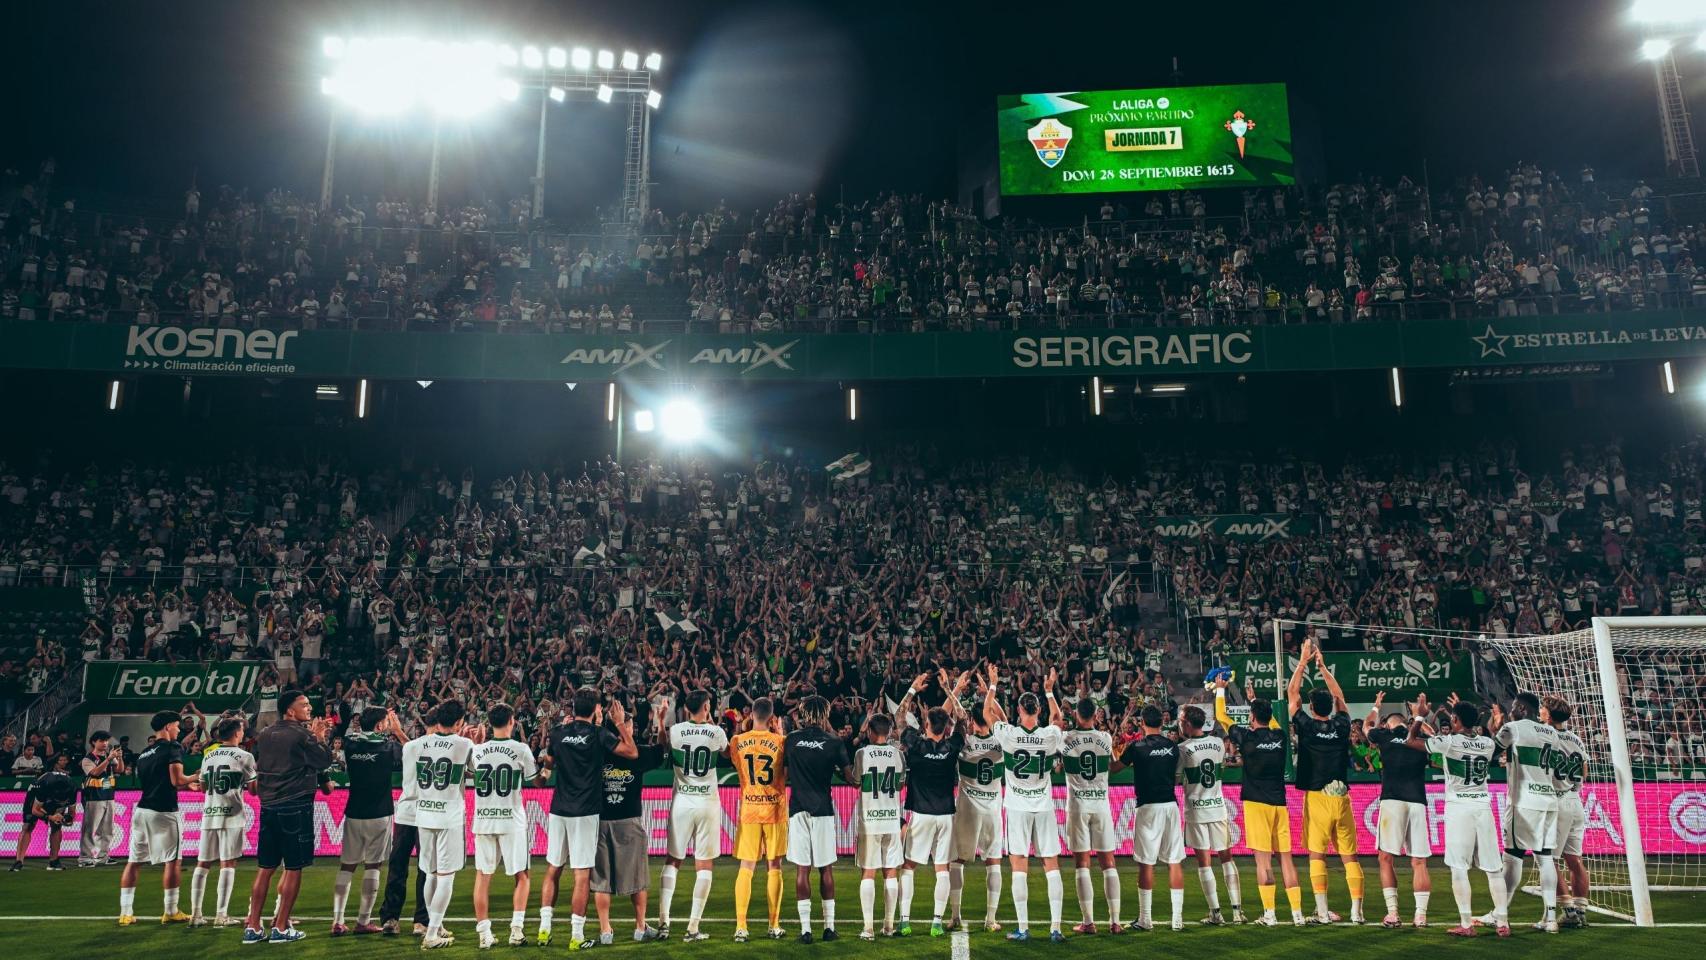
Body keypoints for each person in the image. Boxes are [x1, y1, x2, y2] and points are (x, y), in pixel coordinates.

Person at [538, 688, 638, 948]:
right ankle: (577, 936)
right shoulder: (598, 734)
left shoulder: (558, 733)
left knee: (553, 869)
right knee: (582, 875)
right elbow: (631, 752)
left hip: (559, 810)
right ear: (596, 709)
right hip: (585, 812)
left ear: (573, 708)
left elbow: (548, 764)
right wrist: (619, 723)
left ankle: (544, 929)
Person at [1402, 697, 1509, 937]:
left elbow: (1410, 741)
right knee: (1493, 868)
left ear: (1455, 719)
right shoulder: (1487, 743)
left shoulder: (1449, 742)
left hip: (1459, 807)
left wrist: (1419, 716)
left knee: (1459, 868)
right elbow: (1488, 739)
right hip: (1483, 807)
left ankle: (1466, 924)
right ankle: (1503, 922)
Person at [242, 690, 334, 945]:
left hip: (269, 806)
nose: (309, 708)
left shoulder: (265, 734)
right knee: (293, 867)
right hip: (295, 805)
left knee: (265, 868)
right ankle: (281, 927)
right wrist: (318, 737)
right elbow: (323, 760)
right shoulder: (302, 735)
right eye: (304, 705)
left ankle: (253, 926)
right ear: (290, 711)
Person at [986, 664, 1065, 942]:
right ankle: (1056, 928)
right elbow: (1058, 718)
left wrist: (992, 684)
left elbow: (987, 713)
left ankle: (1023, 928)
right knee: (1051, 865)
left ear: (1019, 710)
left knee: (1019, 864)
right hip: (1043, 806)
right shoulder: (1049, 735)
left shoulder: (1008, 734)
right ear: (1038, 710)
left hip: (1018, 807)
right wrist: (1049, 691)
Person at [1287, 638, 1364, 924]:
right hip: (1342, 797)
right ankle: (1357, 912)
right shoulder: (1342, 724)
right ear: (1331, 706)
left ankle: (1322, 912)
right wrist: (1322, 667)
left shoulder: (1307, 726)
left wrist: (1303, 662)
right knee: (1350, 857)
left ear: (1311, 707)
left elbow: (1291, 694)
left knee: (1317, 855)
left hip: (1318, 797)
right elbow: (1339, 695)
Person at [1215, 677, 1303, 926]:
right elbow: (1273, 722)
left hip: (1256, 804)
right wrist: (1254, 700)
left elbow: (1222, 717)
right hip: (1279, 803)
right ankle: (1297, 914)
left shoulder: (1246, 737)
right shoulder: (1280, 736)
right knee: (1286, 859)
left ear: (1251, 717)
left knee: (1263, 861)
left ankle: (1270, 914)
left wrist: (1220, 691)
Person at [401, 698, 479, 950]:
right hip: (449, 817)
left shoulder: (413, 745)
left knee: (430, 873)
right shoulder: (464, 744)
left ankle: (436, 924)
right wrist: (477, 744)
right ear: (459, 722)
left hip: (424, 815)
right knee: (446, 876)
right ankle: (432, 933)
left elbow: (409, 782)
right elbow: (479, 772)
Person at [896, 670, 967, 937]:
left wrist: (913, 689)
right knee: (942, 869)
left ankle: (905, 921)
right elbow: (963, 718)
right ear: (946, 727)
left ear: (926, 724)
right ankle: (937, 922)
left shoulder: (915, 745)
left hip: (921, 814)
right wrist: (950, 690)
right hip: (946, 815)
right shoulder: (953, 746)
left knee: (909, 867)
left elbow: (899, 716)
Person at [1489, 691, 1563, 933]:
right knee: (1545, 857)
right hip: (1548, 800)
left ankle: (1500, 913)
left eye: (1513, 707)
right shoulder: (1552, 732)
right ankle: (1550, 917)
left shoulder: (1514, 727)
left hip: (1523, 801)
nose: (1510, 711)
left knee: (1513, 855)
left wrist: (1496, 728)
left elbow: (1488, 754)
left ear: (1521, 709)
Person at [658, 689, 728, 941]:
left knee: (673, 861)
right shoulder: (716, 732)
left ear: (686, 709)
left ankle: (663, 923)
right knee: (704, 864)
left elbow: (662, 746)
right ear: (707, 707)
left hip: (682, 802)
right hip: (707, 803)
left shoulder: (676, 730)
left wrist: (660, 721)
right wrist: (714, 724)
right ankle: (692, 927)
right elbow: (729, 754)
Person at [120, 710, 201, 926]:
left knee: (134, 861)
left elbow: (162, 781)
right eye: (176, 725)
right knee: (173, 861)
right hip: (164, 812)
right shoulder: (172, 747)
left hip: (141, 811)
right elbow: (176, 780)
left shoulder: (144, 753)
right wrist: (196, 776)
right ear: (167, 727)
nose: (178, 729)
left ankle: (125, 913)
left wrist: (186, 785)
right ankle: (171, 910)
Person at [593, 694, 662, 945]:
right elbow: (661, 751)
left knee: (601, 881)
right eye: (630, 724)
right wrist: (660, 722)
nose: (632, 728)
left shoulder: (596, 751)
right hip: (628, 822)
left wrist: (599, 725)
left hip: (599, 822)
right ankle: (640, 927)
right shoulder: (638, 753)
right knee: (638, 879)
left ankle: (605, 931)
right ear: (624, 726)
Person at [470, 703, 537, 949]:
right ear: (512, 721)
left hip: (484, 820)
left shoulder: (477, 750)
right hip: (511, 820)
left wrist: (476, 744)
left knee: (483, 876)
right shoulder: (521, 749)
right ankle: (516, 930)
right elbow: (535, 780)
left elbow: (470, 773)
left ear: (489, 723)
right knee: (522, 875)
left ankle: (484, 934)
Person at [784, 694, 850, 943]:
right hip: (823, 809)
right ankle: (829, 928)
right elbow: (850, 778)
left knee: (802, 870)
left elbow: (785, 776)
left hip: (798, 808)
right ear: (825, 713)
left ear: (803, 713)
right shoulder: (834, 742)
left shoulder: (791, 739)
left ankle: (805, 931)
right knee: (826, 869)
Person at [1364, 691, 1432, 929]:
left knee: (1385, 858)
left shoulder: (1383, 735)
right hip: (1417, 802)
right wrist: (1419, 717)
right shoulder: (1420, 736)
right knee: (1419, 862)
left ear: (1387, 724)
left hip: (1392, 801)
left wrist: (1376, 706)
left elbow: (1366, 726)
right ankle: (1420, 915)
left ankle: (1393, 913)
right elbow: (1436, 738)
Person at [1115, 704, 1186, 931]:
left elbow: (1114, 768)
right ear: (1162, 722)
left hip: (1147, 807)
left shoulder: (1137, 747)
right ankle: (1177, 919)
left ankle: (1145, 919)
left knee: (1146, 863)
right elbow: (1176, 777)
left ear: (1142, 723)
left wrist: (1111, 747)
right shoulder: (1172, 747)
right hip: (1170, 806)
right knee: (1174, 861)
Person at [335, 706, 403, 936]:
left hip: (354, 811)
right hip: (380, 813)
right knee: (373, 865)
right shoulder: (389, 747)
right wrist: (398, 731)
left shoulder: (350, 744)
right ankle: (363, 920)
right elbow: (412, 754)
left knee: (347, 865)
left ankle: (338, 921)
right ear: (380, 725)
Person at [948, 671, 1005, 933]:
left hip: (967, 809)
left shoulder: (965, 741)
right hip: (992, 810)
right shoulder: (1000, 741)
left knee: (957, 861)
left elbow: (953, 716)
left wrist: (955, 689)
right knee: (993, 862)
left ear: (972, 720)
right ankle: (990, 919)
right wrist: (991, 690)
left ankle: (955, 916)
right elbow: (1002, 719)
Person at [729, 696, 788, 942]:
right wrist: (780, 734)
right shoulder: (781, 742)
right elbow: (786, 773)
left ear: (752, 714)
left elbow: (734, 762)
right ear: (773, 718)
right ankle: (774, 925)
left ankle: (741, 927)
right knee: (774, 867)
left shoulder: (737, 741)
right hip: (774, 811)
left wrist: (741, 726)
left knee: (746, 868)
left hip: (749, 811)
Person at [1060, 695, 1121, 933]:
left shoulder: (1066, 738)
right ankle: (1115, 922)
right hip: (1101, 805)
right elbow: (1113, 765)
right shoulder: (1105, 737)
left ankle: (1088, 922)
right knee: (1109, 862)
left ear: (1076, 714)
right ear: (1096, 715)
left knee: (1082, 863)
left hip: (1078, 805)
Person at [1178, 703, 1242, 924]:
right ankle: (1237, 911)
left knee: (1204, 862)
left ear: (1188, 723)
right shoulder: (1217, 743)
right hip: (1217, 808)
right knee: (1226, 858)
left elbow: (1177, 777)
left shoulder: (1183, 748)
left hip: (1196, 810)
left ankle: (1216, 913)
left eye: (1181, 720)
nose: (1179, 724)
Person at [190, 716, 255, 926]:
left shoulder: (208, 755)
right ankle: (221, 915)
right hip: (232, 815)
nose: (243, 733)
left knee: (203, 863)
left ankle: (195, 915)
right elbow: (254, 790)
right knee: (228, 863)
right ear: (236, 733)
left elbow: (202, 787)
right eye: (242, 730)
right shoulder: (245, 756)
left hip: (210, 814)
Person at [380, 707, 433, 937]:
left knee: (403, 867)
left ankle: (395, 918)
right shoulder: (444, 746)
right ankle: (416, 920)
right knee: (419, 868)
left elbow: (410, 746)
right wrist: (399, 732)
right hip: (421, 813)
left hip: (412, 813)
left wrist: (399, 731)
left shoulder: (413, 746)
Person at [853, 712, 905, 940]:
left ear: (870, 732)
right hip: (892, 820)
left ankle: (868, 928)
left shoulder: (862, 753)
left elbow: (856, 781)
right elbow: (901, 785)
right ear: (890, 731)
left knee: (868, 872)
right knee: (891, 873)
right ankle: (889, 926)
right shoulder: (898, 754)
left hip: (870, 821)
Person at [1545, 697, 1591, 928]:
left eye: (1543, 710)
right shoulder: (1576, 739)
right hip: (1575, 801)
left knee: (1549, 859)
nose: (1540, 712)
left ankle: (1569, 911)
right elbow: (1584, 770)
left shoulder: (1546, 736)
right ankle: (1581, 910)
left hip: (1558, 800)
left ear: (1549, 715)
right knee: (1574, 860)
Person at [11, 753, 76, 872]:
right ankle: (18, 861)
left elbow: (72, 814)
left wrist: (66, 820)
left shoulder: (72, 788)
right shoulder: (44, 786)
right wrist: (50, 817)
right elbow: (35, 810)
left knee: (57, 826)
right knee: (28, 825)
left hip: (52, 800)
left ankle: (54, 861)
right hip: (35, 796)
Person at [78, 730, 123, 867]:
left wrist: (120, 758)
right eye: (101, 741)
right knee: (90, 829)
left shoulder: (109, 756)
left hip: (109, 796)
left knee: (107, 830)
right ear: (94, 742)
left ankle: (103, 856)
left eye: (106, 741)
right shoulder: (88, 759)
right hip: (93, 797)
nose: (105, 743)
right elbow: (95, 773)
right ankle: (85, 858)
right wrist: (108, 759)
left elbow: (120, 770)